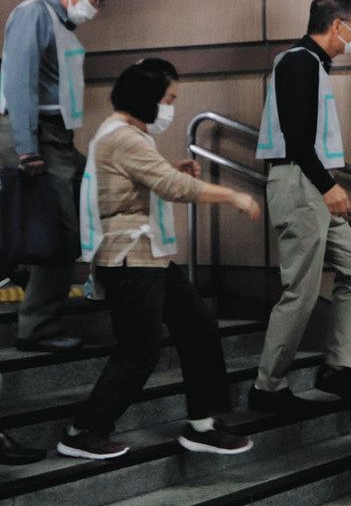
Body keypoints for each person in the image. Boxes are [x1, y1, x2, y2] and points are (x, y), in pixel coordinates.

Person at [57, 59, 259, 460]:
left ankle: (202, 424)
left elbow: (145, 179)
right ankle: (83, 431)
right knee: (139, 351)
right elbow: (171, 187)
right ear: (146, 97)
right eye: (168, 99)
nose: (170, 107)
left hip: (148, 256)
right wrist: (232, 195)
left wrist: (170, 167)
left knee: (199, 328)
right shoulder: (125, 137)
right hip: (130, 258)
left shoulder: (125, 134)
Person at [251, 0, 351, 413]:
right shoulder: (298, 63)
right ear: (338, 25)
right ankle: (267, 387)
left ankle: (339, 368)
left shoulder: (315, 65)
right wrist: (328, 186)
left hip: (312, 183)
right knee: (300, 291)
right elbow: (298, 140)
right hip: (301, 183)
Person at [0, 0, 111, 354]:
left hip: (56, 137)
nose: (97, 8)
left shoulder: (60, 25)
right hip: (34, 133)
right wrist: (27, 148)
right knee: (61, 229)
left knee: (63, 218)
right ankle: (36, 326)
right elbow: (19, 83)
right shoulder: (34, 14)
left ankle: (20, 271)